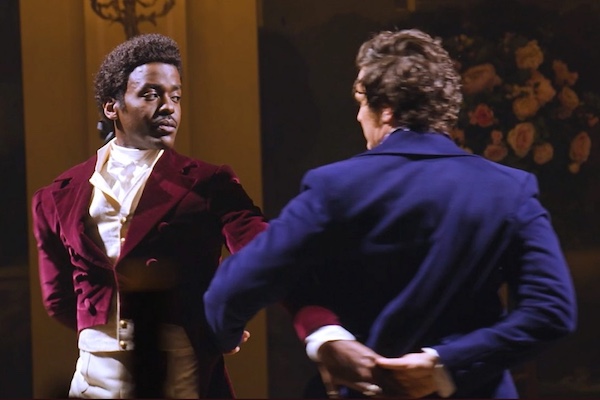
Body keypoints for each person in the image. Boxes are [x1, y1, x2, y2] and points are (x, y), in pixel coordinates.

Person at [204, 29, 577, 398]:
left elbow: (232, 287)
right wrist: (443, 365)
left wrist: (226, 337)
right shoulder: (509, 189)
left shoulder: (336, 186)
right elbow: (551, 310)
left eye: (360, 102)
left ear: (385, 109)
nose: (358, 117)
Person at [31, 33, 267, 399]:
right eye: (151, 94)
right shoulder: (56, 195)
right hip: (92, 375)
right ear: (112, 107)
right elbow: (59, 300)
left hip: (180, 371)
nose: (169, 107)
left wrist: (222, 321)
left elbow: (263, 254)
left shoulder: (209, 183)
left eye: (176, 97)